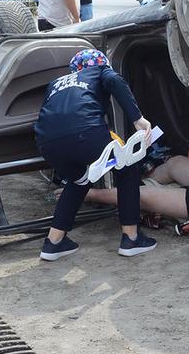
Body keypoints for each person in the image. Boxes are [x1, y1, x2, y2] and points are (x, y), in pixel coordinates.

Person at [35, 49, 156, 260]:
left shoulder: (55, 82)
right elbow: (115, 81)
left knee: (79, 180)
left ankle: (53, 243)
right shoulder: (99, 70)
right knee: (126, 168)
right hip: (85, 133)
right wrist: (139, 119)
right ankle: (131, 238)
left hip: (47, 142)